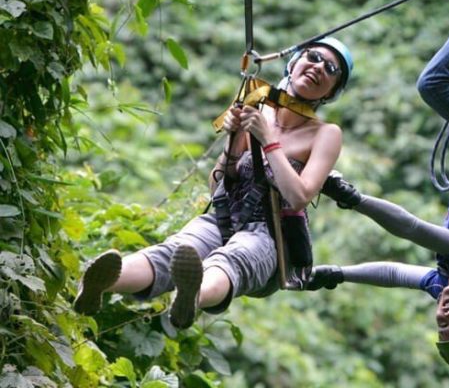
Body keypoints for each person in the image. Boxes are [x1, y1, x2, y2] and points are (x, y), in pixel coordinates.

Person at [308, 0, 449, 379]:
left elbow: (395, 273)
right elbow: (414, 229)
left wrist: (339, 273)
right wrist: (354, 200)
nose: (448, 316)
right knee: (437, 85)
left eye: (444, 327)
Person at [74, 36, 354, 330]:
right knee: (176, 250)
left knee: (231, 259)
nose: (319, 66)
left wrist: (268, 141)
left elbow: (299, 197)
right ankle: (100, 283)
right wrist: (232, 142)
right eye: (313, 57)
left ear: (332, 91)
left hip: (271, 235)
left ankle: (192, 297)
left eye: (331, 68)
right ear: (294, 62)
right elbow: (218, 186)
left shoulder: (326, 134)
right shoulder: (258, 108)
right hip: (225, 217)